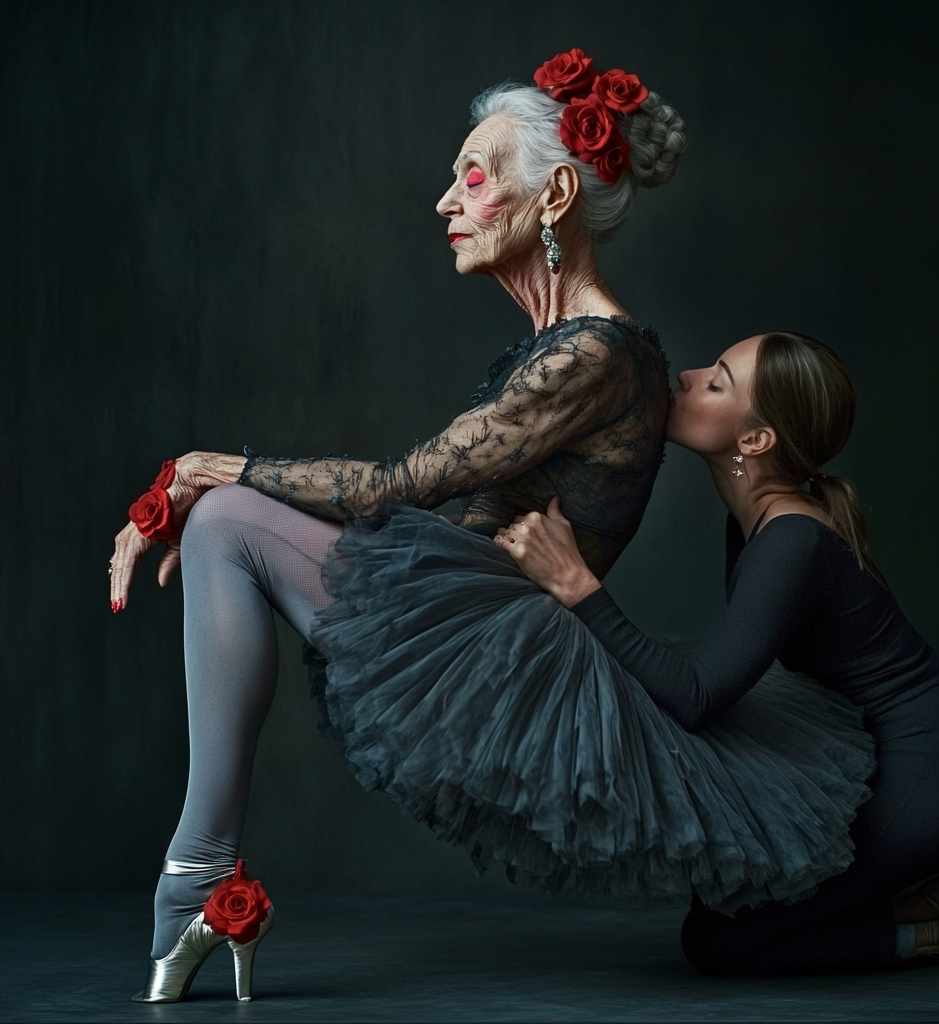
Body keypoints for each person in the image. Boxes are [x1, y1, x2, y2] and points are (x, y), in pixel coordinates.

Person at [111, 50, 696, 1003]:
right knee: (221, 525)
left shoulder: (596, 353)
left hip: (502, 658)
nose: (445, 202)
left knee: (222, 517)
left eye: (472, 176)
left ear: (552, 195)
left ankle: (195, 883)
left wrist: (212, 468)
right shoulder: (568, 347)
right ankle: (196, 884)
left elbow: (401, 485)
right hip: (472, 623)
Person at [496, 330, 939, 974]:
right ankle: (921, 903)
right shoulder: (759, 521)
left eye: (716, 382)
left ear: (755, 441)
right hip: (872, 752)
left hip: (938, 773)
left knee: (722, 941)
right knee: (729, 925)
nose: (684, 378)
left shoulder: (792, 540)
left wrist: (576, 582)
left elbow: (695, 695)